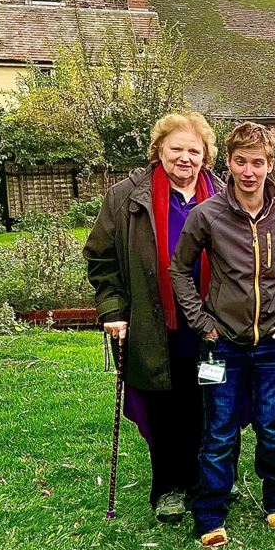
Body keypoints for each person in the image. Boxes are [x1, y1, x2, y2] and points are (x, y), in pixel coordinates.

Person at [171, 123, 275, 548]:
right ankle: (211, 512)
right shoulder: (207, 214)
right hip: (220, 345)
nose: (248, 171)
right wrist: (201, 322)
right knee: (219, 429)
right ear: (227, 163)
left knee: (271, 425)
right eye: (240, 162)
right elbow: (180, 269)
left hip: (272, 341)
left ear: (271, 166)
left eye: (257, 163)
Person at [84, 112, 220, 524]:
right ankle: (169, 488)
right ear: (158, 150)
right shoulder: (126, 198)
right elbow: (100, 258)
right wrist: (112, 310)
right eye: (175, 148)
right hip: (154, 322)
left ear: (206, 156)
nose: (184, 158)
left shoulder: (222, 198)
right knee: (165, 407)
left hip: (212, 326)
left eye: (193, 151)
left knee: (208, 402)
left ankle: (206, 480)